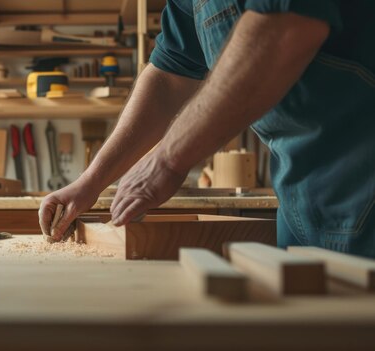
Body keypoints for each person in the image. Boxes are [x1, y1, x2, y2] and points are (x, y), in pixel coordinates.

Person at [39, 0, 375, 258]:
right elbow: (168, 77)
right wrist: (91, 182)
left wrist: (167, 160)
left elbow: (284, 30)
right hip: (301, 197)